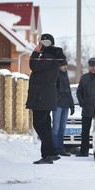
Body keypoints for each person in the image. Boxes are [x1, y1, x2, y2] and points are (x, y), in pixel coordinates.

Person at [26, 33, 65, 164]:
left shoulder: (48, 57)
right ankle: (47, 155)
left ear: (45, 43)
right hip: (45, 96)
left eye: (40, 43)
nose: (39, 45)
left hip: (42, 97)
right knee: (45, 125)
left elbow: (34, 66)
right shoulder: (51, 57)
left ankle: (52, 151)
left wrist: (35, 53)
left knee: (38, 124)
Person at [51, 60, 75, 156]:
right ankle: (54, 148)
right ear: (59, 66)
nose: (65, 67)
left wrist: (72, 106)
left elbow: (69, 92)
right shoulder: (56, 75)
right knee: (56, 128)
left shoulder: (66, 75)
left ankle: (60, 148)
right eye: (63, 65)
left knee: (62, 129)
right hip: (57, 105)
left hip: (66, 106)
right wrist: (60, 93)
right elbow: (53, 90)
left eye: (66, 65)